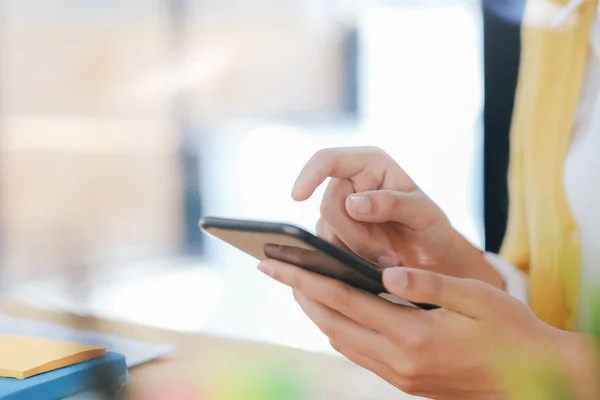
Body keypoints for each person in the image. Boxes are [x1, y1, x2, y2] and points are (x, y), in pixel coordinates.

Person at [257, 0, 600, 398]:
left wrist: (552, 368)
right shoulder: (561, 17)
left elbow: (554, 353)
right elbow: (564, 302)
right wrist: (443, 264)